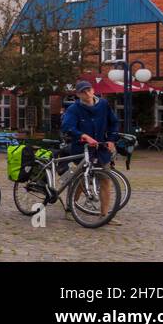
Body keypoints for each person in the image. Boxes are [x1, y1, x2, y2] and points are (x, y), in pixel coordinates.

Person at [61, 80, 121, 224]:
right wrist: (83, 136)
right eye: (83, 91)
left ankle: (105, 214)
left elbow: (113, 122)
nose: (87, 93)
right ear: (78, 94)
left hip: (101, 148)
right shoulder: (74, 109)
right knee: (81, 180)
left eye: (89, 90)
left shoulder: (103, 105)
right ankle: (70, 208)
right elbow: (67, 126)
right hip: (82, 148)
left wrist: (112, 139)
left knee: (106, 180)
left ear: (93, 90)